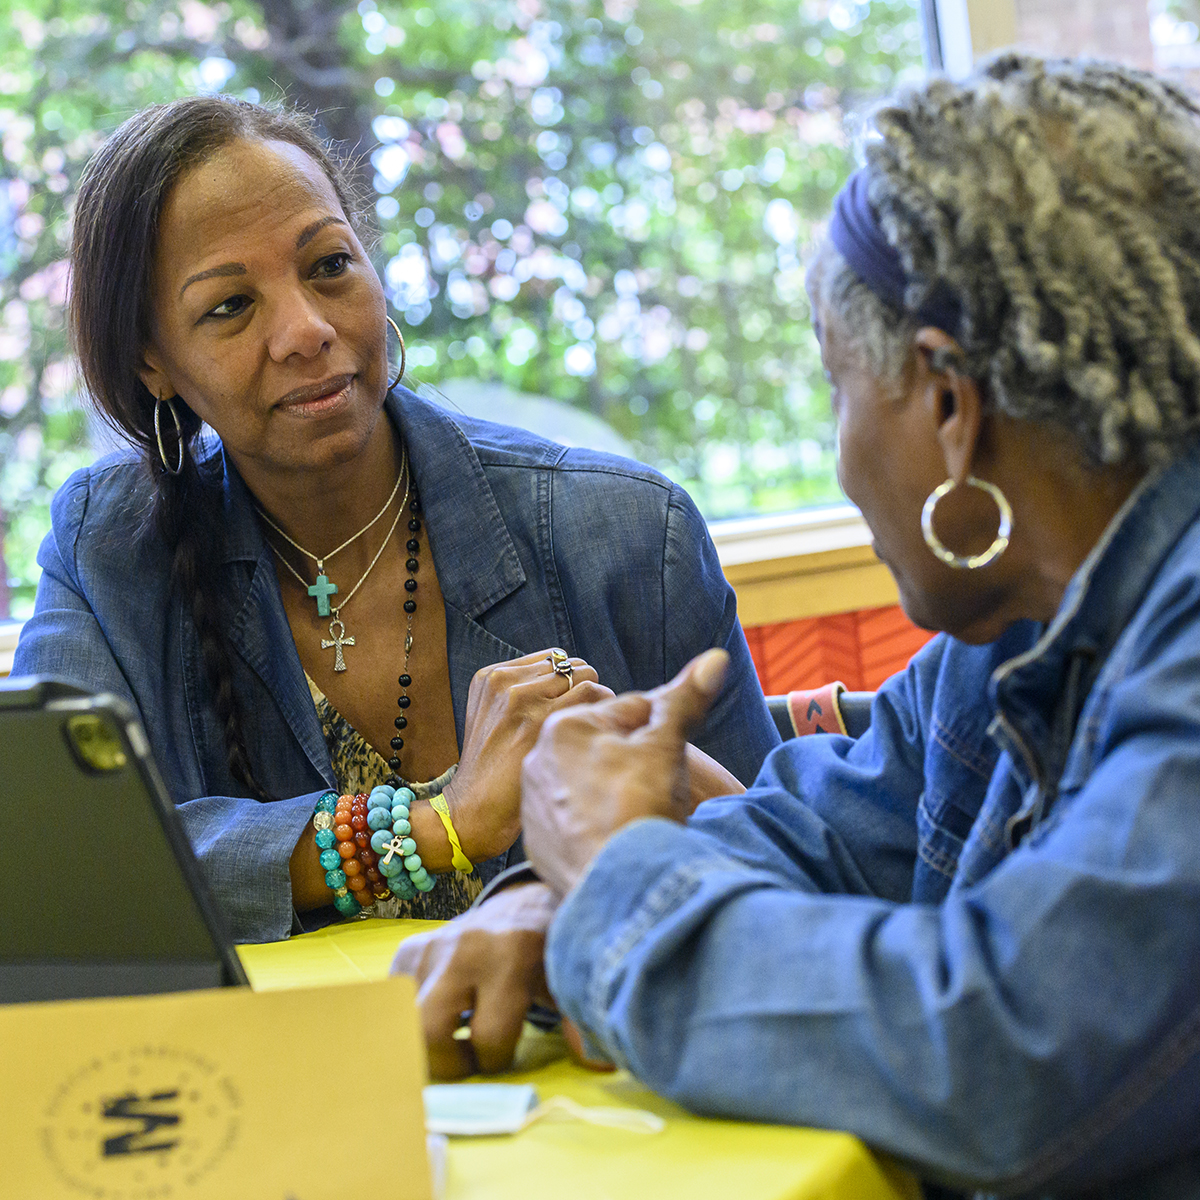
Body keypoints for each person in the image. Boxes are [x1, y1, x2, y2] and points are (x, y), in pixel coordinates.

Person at [394, 55, 1200, 1197]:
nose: (837, 453)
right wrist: (549, 902)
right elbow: (822, 834)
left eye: (835, 385)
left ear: (949, 404)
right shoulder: (1019, 623)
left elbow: (1004, 1052)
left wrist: (619, 878)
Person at [12, 95, 778, 944]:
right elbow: (51, 869)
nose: (306, 330)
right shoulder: (110, 547)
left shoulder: (632, 534)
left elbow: (777, 874)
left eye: (330, 265)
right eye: (231, 306)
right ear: (154, 361)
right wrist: (432, 828)